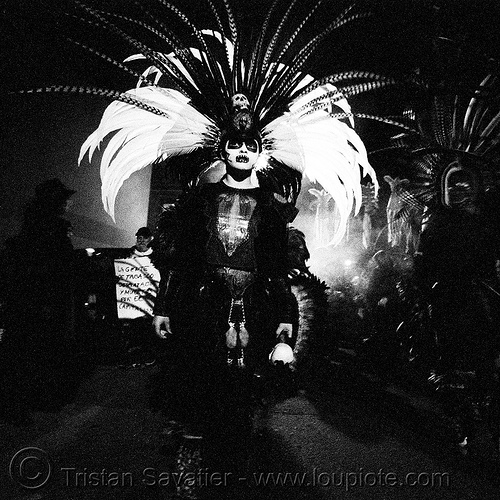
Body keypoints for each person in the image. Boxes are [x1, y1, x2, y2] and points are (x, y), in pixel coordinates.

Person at [151, 110, 296, 453]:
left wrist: (287, 316)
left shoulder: (272, 209)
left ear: (260, 153)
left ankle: (235, 460)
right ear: (223, 151)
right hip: (203, 303)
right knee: (201, 377)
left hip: (255, 306)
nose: (243, 151)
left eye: (251, 145)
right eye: (236, 145)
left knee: (245, 386)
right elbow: (181, 259)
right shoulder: (199, 201)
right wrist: (164, 307)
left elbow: (278, 268)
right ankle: (198, 450)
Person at [0, 179, 79, 422]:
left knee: (25, 351)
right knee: (37, 351)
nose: (69, 202)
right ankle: (29, 402)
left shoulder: (32, 224)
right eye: (64, 198)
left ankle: (21, 403)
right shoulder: (52, 229)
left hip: (29, 299)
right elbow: (60, 265)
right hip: (44, 299)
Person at [118, 226, 157, 369]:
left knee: (146, 330)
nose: (141, 240)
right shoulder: (128, 254)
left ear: (150, 239)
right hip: (131, 300)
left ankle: (146, 356)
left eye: (144, 238)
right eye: (139, 237)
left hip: (148, 302)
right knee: (131, 330)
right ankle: (130, 357)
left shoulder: (155, 256)